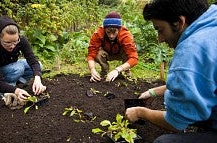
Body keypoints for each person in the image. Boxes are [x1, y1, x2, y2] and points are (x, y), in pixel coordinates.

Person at [125, 0, 217, 142]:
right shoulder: (212, 22)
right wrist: (153, 92)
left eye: (160, 30)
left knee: (163, 142)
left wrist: (140, 112)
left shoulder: (191, 51)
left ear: (179, 22)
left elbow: (175, 124)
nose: (160, 39)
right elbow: (204, 80)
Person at [0, 15, 46, 102]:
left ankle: (13, 83)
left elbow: (32, 60)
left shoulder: (22, 40)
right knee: (18, 69)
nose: (12, 46)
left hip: (10, 66)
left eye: (15, 42)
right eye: (7, 43)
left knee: (39, 66)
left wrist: (37, 78)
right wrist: (16, 91)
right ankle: (0, 92)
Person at [87, 11, 138, 82]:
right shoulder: (98, 34)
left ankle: (126, 73)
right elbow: (91, 55)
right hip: (106, 53)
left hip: (121, 53)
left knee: (127, 54)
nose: (111, 36)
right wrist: (92, 70)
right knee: (97, 54)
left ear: (119, 29)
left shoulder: (126, 35)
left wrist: (117, 70)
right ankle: (104, 73)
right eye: (108, 32)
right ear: (104, 29)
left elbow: (134, 58)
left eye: (114, 32)